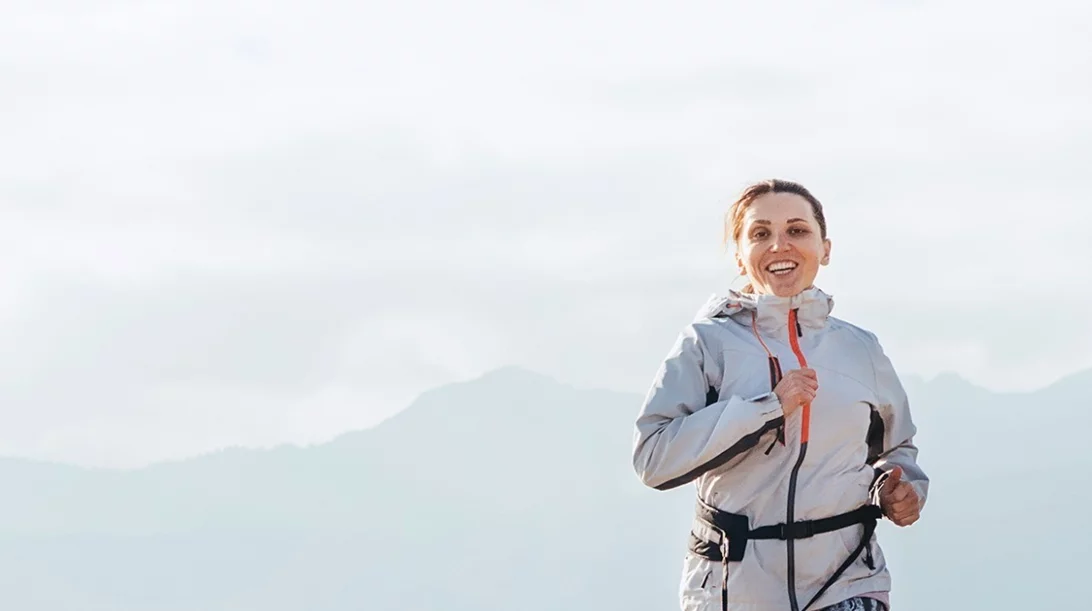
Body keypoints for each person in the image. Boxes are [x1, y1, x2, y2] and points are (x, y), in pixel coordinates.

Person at [631, 179, 928, 611]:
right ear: (739, 255)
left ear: (825, 249)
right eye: (760, 233)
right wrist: (768, 408)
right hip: (733, 590)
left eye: (796, 230)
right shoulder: (706, 343)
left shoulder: (862, 349)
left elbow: (895, 449)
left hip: (847, 582)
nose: (779, 245)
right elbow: (654, 459)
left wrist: (899, 488)